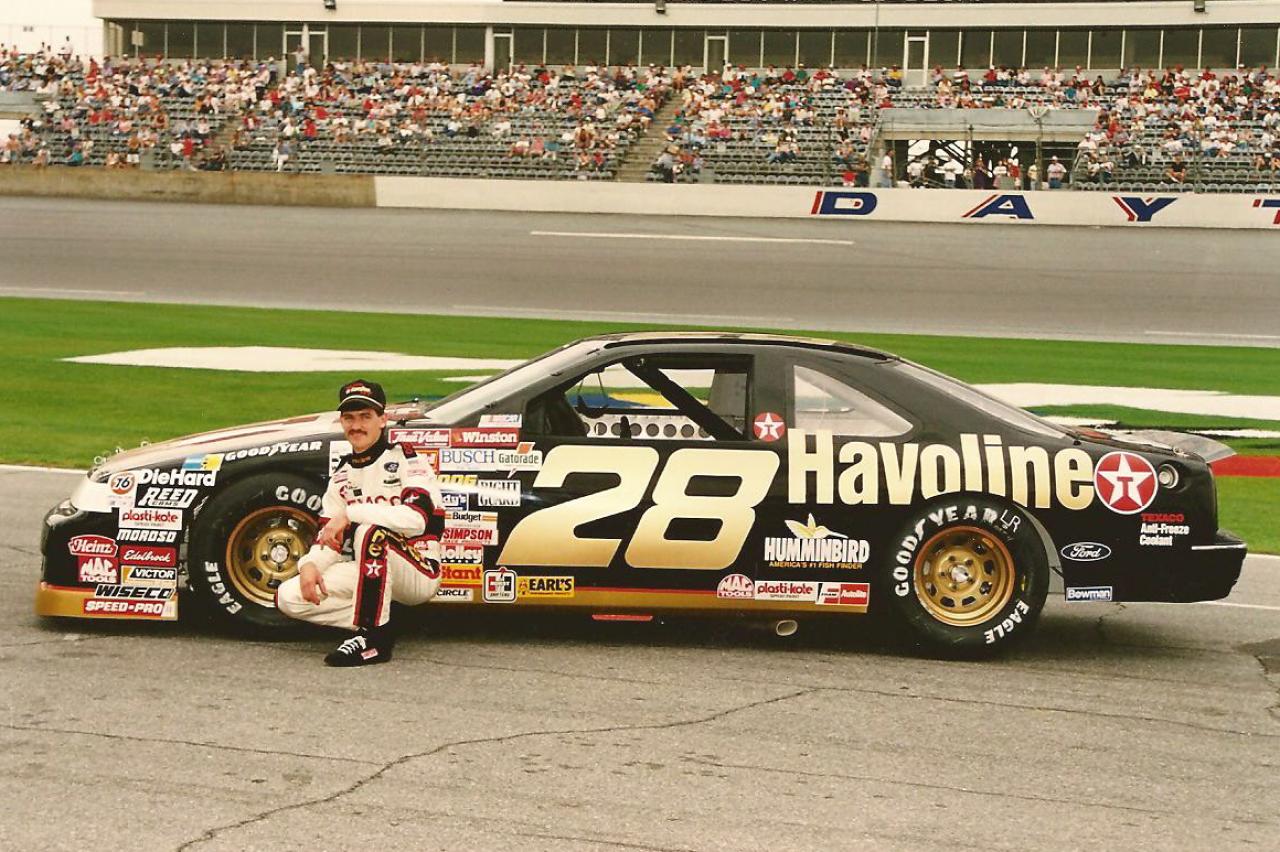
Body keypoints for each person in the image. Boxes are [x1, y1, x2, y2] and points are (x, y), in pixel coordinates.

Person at [276, 380, 445, 666]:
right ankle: (383, 622)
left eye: (365, 417)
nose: (357, 426)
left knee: (370, 532)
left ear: (383, 419)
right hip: (371, 571)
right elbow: (330, 538)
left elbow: (416, 520)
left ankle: (374, 639)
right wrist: (310, 565)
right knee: (289, 596)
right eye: (349, 418)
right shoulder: (342, 475)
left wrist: (352, 513)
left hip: (418, 570)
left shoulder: (407, 460)